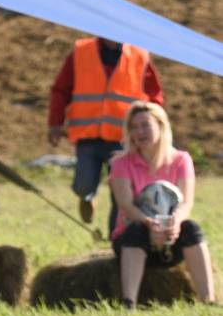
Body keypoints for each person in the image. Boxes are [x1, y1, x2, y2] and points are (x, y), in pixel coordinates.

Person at [47, 37, 163, 225]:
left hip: (123, 140)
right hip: (88, 134)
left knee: (121, 194)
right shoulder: (81, 51)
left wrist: (153, 128)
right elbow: (61, 90)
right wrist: (55, 123)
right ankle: (86, 197)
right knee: (83, 185)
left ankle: (115, 236)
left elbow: (154, 96)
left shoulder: (139, 56)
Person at [108, 102, 214, 306]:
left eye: (145, 125)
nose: (139, 132)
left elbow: (186, 203)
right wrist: (150, 225)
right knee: (136, 230)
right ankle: (128, 302)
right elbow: (126, 206)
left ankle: (208, 299)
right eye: (134, 127)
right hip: (134, 235)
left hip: (170, 237)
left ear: (161, 126)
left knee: (191, 228)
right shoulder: (120, 163)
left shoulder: (181, 160)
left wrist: (174, 224)